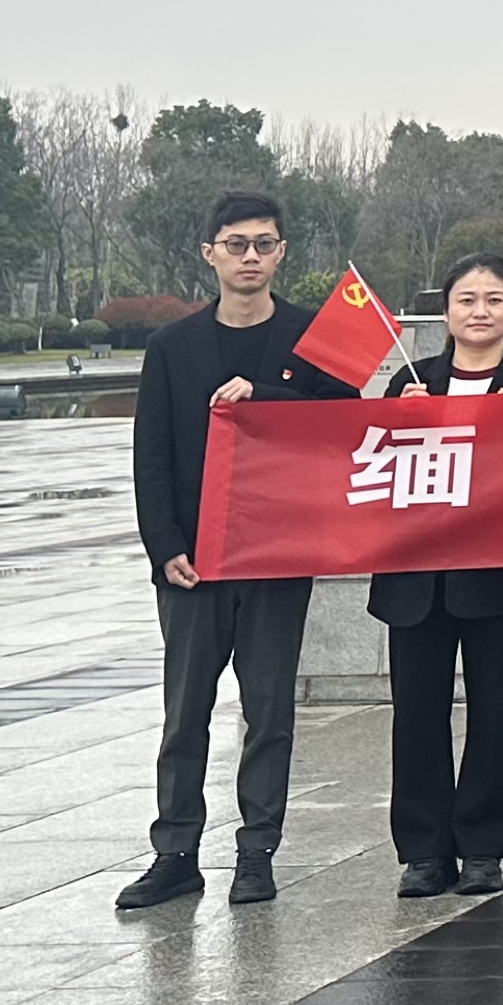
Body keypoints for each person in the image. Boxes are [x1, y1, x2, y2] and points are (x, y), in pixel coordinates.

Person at [119, 191, 357, 910]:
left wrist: (267, 400)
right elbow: (150, 455)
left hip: (277, 556)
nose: (250, 256)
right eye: (236, 244)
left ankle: (256, 851)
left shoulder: (314, 338)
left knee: (269, 710)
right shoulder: (172, 347)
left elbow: (344, 425)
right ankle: (176, 852)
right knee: (184, 712)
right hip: (195, 562)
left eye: (263, 243)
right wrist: (164, 547)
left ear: (283, 251)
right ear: (209, 253)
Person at [372, 254, 503, 899]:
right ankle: (423, 851)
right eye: (466, 299)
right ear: (446, 310)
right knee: (417, 715)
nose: (480, 312)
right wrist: (400, 422)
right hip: (417, 578)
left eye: (494, 299)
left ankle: (483, 846)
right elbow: (374, 474)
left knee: (495, 712)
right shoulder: (412, 380)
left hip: (501, 577)